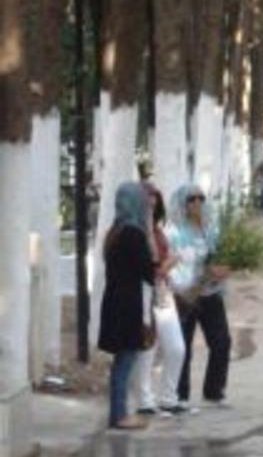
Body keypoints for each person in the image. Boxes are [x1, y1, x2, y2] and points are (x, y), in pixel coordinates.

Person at [167, 184, 232, 409]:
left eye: (200, 199)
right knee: (183, 346)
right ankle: (180, 394)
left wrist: (223, 270)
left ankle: (214, 390)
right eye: (191, 199)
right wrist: (181, 287)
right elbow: (170, 264)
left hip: (210, 293)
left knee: (221, 342)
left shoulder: (211, 229)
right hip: (185, 296)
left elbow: (224, 257)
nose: (196, 203)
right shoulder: (174, 232)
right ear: (183, 203)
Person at [98, 182, 157, 429]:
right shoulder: (133, 233)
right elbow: (148, 272)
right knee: (125, 360)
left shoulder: (116, 231)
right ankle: (119, 415)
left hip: (114, 302)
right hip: (126, 305)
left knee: (122, 360)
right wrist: (166, 263)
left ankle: (118, 411)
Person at [129, 183, 184, 416]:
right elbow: (150, 258)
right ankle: (144, 400)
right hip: (142, 291)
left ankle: (168, 398)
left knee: (176, 347)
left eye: (154, 203)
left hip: (162, 291)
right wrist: (150, 230)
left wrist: (169, 262)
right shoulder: (133, 231)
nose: (151, 208)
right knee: (147, 347)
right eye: (146, 204)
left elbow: (167, 256)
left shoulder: (158, 230)